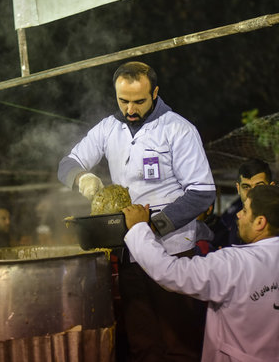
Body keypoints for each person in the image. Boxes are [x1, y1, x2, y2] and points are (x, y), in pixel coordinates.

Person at [58, 61, 215, 361]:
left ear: (155, 93)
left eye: (139, 101)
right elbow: (66, 164)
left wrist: (151, 226)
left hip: (173, 251)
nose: (130, 109)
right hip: (130, 254)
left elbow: (202, 192)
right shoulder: (108, 128)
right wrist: (82, 177)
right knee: (142, 342)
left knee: (178, 341)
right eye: (123, 100)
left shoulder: (178, 129)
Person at [122, 185, 279, 361]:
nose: (238, 215)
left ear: (260, 222)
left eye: (245, 210)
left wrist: (139, 230)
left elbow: (170, 273)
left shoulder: (232, 264)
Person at [216, 158, 275, 247]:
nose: (252, 193)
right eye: (246, 187)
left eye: (259, 186)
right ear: (238, 189)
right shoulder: (235, 222)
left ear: (271, 188)